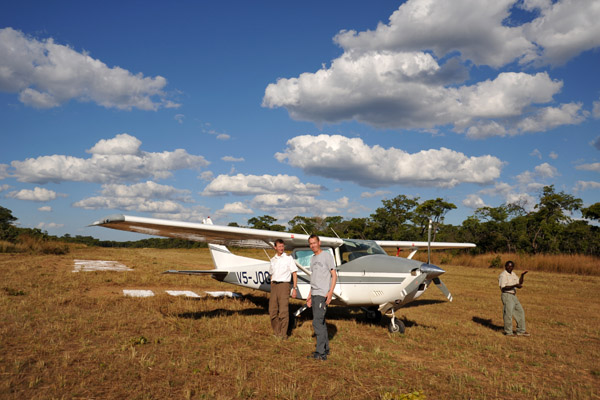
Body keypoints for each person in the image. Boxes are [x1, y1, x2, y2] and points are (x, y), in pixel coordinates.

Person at [306, 234, 337, 360]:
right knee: (321, 322)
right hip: (314, 294)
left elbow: (334, 275)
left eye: (314, 242)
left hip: (322, 294)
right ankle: (325, 349)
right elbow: (313, 278)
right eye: (310, 243)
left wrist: (330, 292)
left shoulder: (327, 256)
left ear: (319, 242)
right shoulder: (313, 259)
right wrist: (309, 295)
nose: (312, 245)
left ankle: (320, 353)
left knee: (317, 322)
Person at [269, 239, 298, 339]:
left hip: (284, 285)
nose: (281, 248)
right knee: (272, 310)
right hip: (274, 286)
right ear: (275, 247)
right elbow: (271, 274)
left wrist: (294, 288)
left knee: (283, 311)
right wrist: (272, 283)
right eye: (279, 246)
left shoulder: (288, 258)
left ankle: (283, 334)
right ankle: (277, 332)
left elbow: (294, 273)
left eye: (282, 246)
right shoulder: (273, 260)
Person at [498, 260, 530, 337]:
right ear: (505, 266)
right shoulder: (503, 275)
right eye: (508, 266)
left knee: (520, 311)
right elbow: (503, 288)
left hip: (513, 296)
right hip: (507, 295)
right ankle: (508, 332)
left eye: (511, 266)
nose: (510, 267)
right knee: (508, 314)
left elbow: (520, 282)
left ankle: (521, 331)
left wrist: (522, 275)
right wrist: (514, 285)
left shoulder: (513, 274)